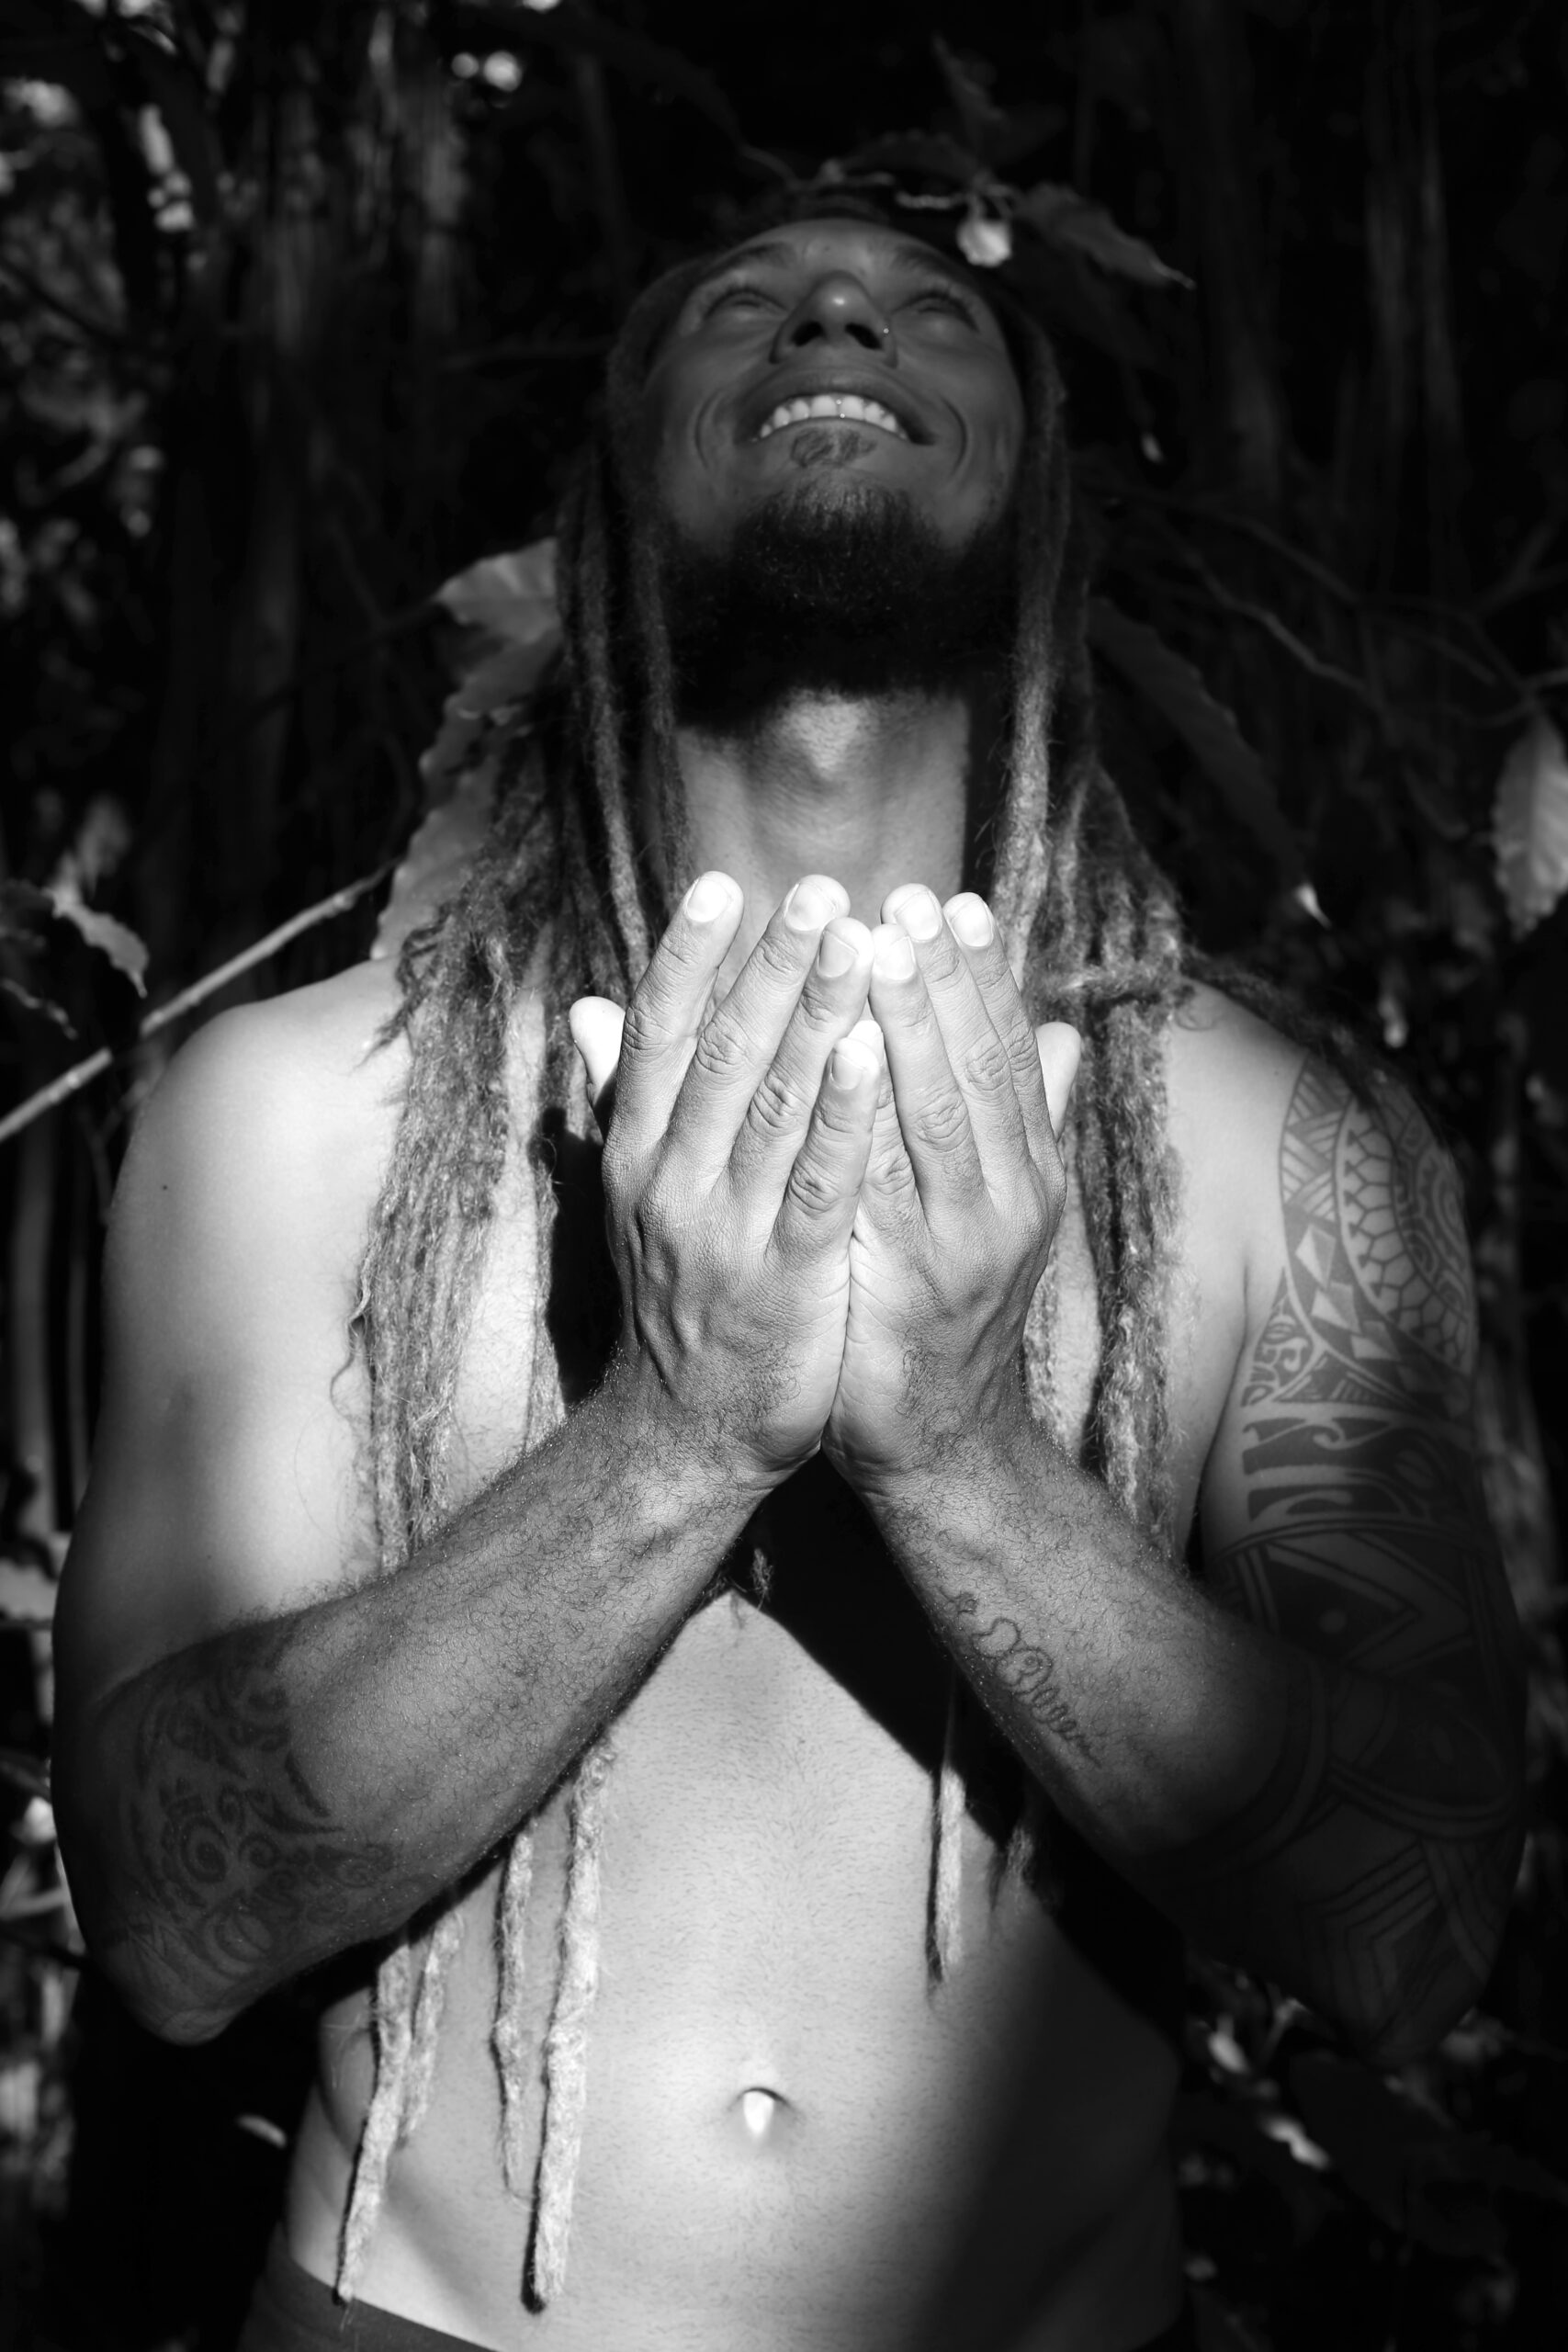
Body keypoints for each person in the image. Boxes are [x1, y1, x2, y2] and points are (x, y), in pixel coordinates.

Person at [52, 196, 1525, 2352]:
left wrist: (958, 1457)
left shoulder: (1259, 1142)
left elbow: (1415, 1926)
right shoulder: (291, 1117)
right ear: (603, 510)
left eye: (933, 311)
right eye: (742, 304)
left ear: (1040, 512)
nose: (835, 310)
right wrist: (672, 1436)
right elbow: (170, 1921)